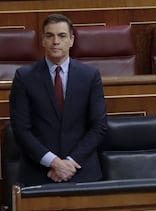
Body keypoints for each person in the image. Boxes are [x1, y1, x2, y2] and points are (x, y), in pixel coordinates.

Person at [9, 14, 108, 186]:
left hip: (82, 171)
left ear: (71, 40)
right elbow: (21, 129)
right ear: (43, 40)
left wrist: (70, 162)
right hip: (39, 173)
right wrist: (54, 162)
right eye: (50, 36)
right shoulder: (24, 77)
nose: (55, 41)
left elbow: (98, 126)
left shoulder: (90, 76)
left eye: (62, 36)